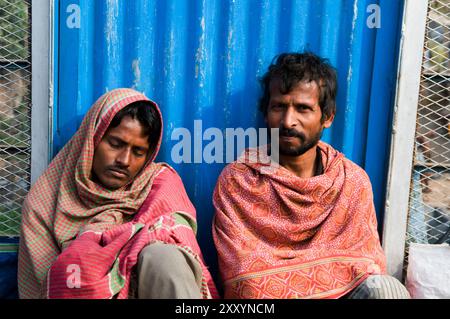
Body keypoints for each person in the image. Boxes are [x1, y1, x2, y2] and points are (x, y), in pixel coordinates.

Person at [212, 52, 410, 299]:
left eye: (303, 109)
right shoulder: (239, 181)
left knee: (387, 291)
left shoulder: (350, 182)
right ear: (265, 112)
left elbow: (366, 267)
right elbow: (245, 279)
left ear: (327, 117)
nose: (288, 121)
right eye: (278, 107)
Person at [18, 88, 218, 299]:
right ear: (92, 138)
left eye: (138, 152)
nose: (124, 160)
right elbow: (49, 285)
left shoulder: (160, 186)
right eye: (115, 144)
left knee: (164, 256)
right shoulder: (46, 203)